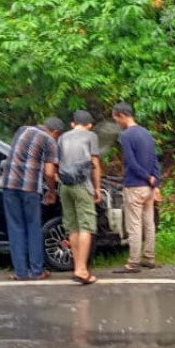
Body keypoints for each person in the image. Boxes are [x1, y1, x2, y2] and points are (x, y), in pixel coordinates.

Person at [2, 117, 64, 281]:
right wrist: (51, 190)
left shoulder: (22, 130)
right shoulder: (49, 140)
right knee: (33, 228)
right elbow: (49, 172)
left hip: (9, 185)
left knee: (16, 229)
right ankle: (37, 271)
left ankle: (20, 273)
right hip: (30, 189)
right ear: (55, 132)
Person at [111, 101, 160, 274]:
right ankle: (149, 258)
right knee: (149, 222)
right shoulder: (146, 132)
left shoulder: (126, 135)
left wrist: (145, 177)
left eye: (116, 118)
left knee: (134, 225)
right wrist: (154, 182)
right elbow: (155, 159)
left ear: (122, 115)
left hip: (134, 185)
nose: (117, 122)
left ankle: (133, 262)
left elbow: (131, 163)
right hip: (148, 187)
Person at [58, 110, 101, 285]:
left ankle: (77, 267)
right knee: (86, 226)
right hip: (82, 185)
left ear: (73, 123)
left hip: (64, 186)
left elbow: (57, 162)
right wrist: (97, 188)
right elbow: (95, 164)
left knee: (72, 226)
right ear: (89, 124)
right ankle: (82, 270)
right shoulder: (91, 136)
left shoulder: (62, 137)